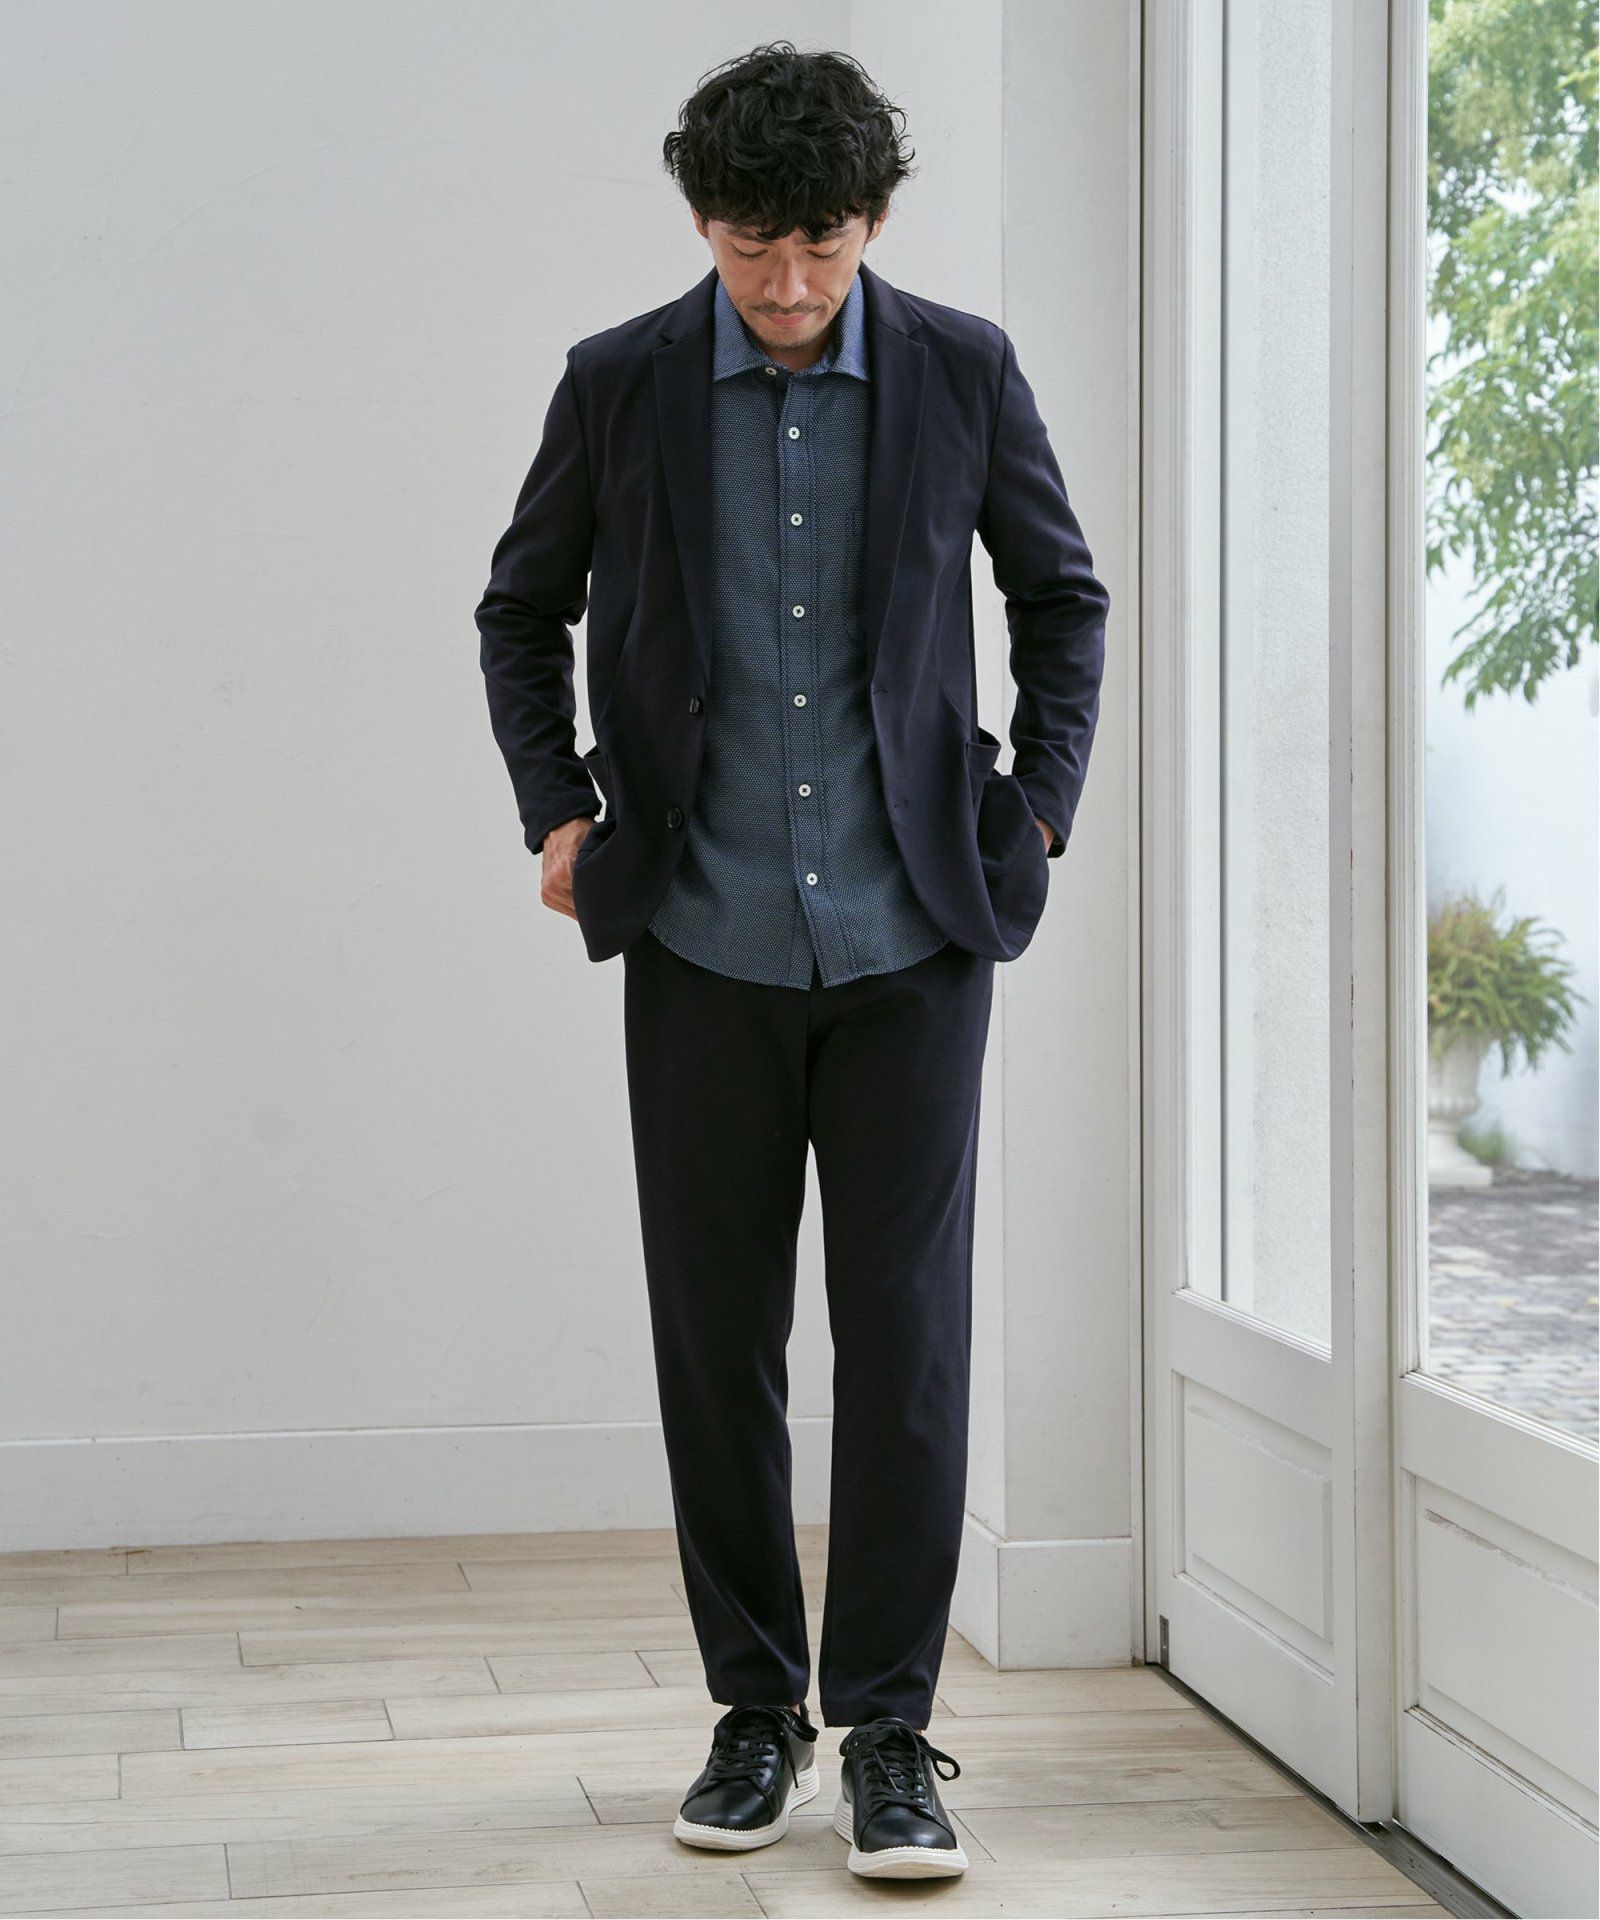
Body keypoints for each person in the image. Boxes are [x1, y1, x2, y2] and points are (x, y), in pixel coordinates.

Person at [474, 38, 1109, 1882]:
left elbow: (1060, 596)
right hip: (702, 936)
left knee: (906, 1348)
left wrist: (1040, 810)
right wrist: (557, 807)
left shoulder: (963, 369)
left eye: (820, 241)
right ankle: (755, 1711)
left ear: (874, 220)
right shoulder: (619, 382)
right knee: (717, 1340)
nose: (786, 280)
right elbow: (521, 606)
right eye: (753, 243)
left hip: (916, 939)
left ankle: (891, 1733)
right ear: (702, 220)